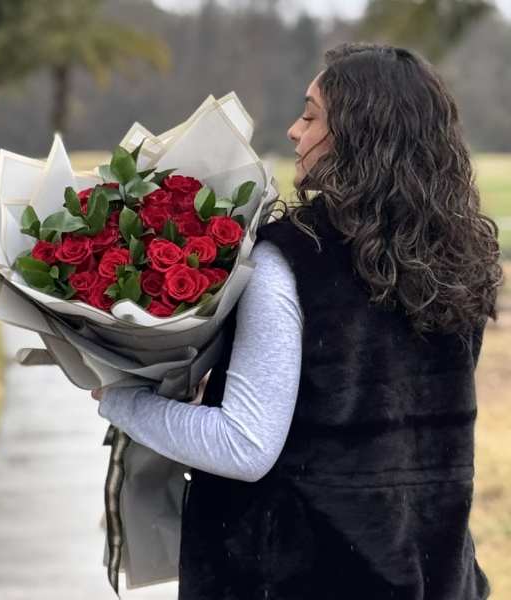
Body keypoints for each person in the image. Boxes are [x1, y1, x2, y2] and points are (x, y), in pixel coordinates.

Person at [93, 42, 503, 599]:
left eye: (310, 117)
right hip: (436, 577)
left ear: (358, 136)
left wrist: (121, 399)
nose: (293, 131)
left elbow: (243, 446)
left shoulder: (289, 260)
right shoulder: (461, 260)